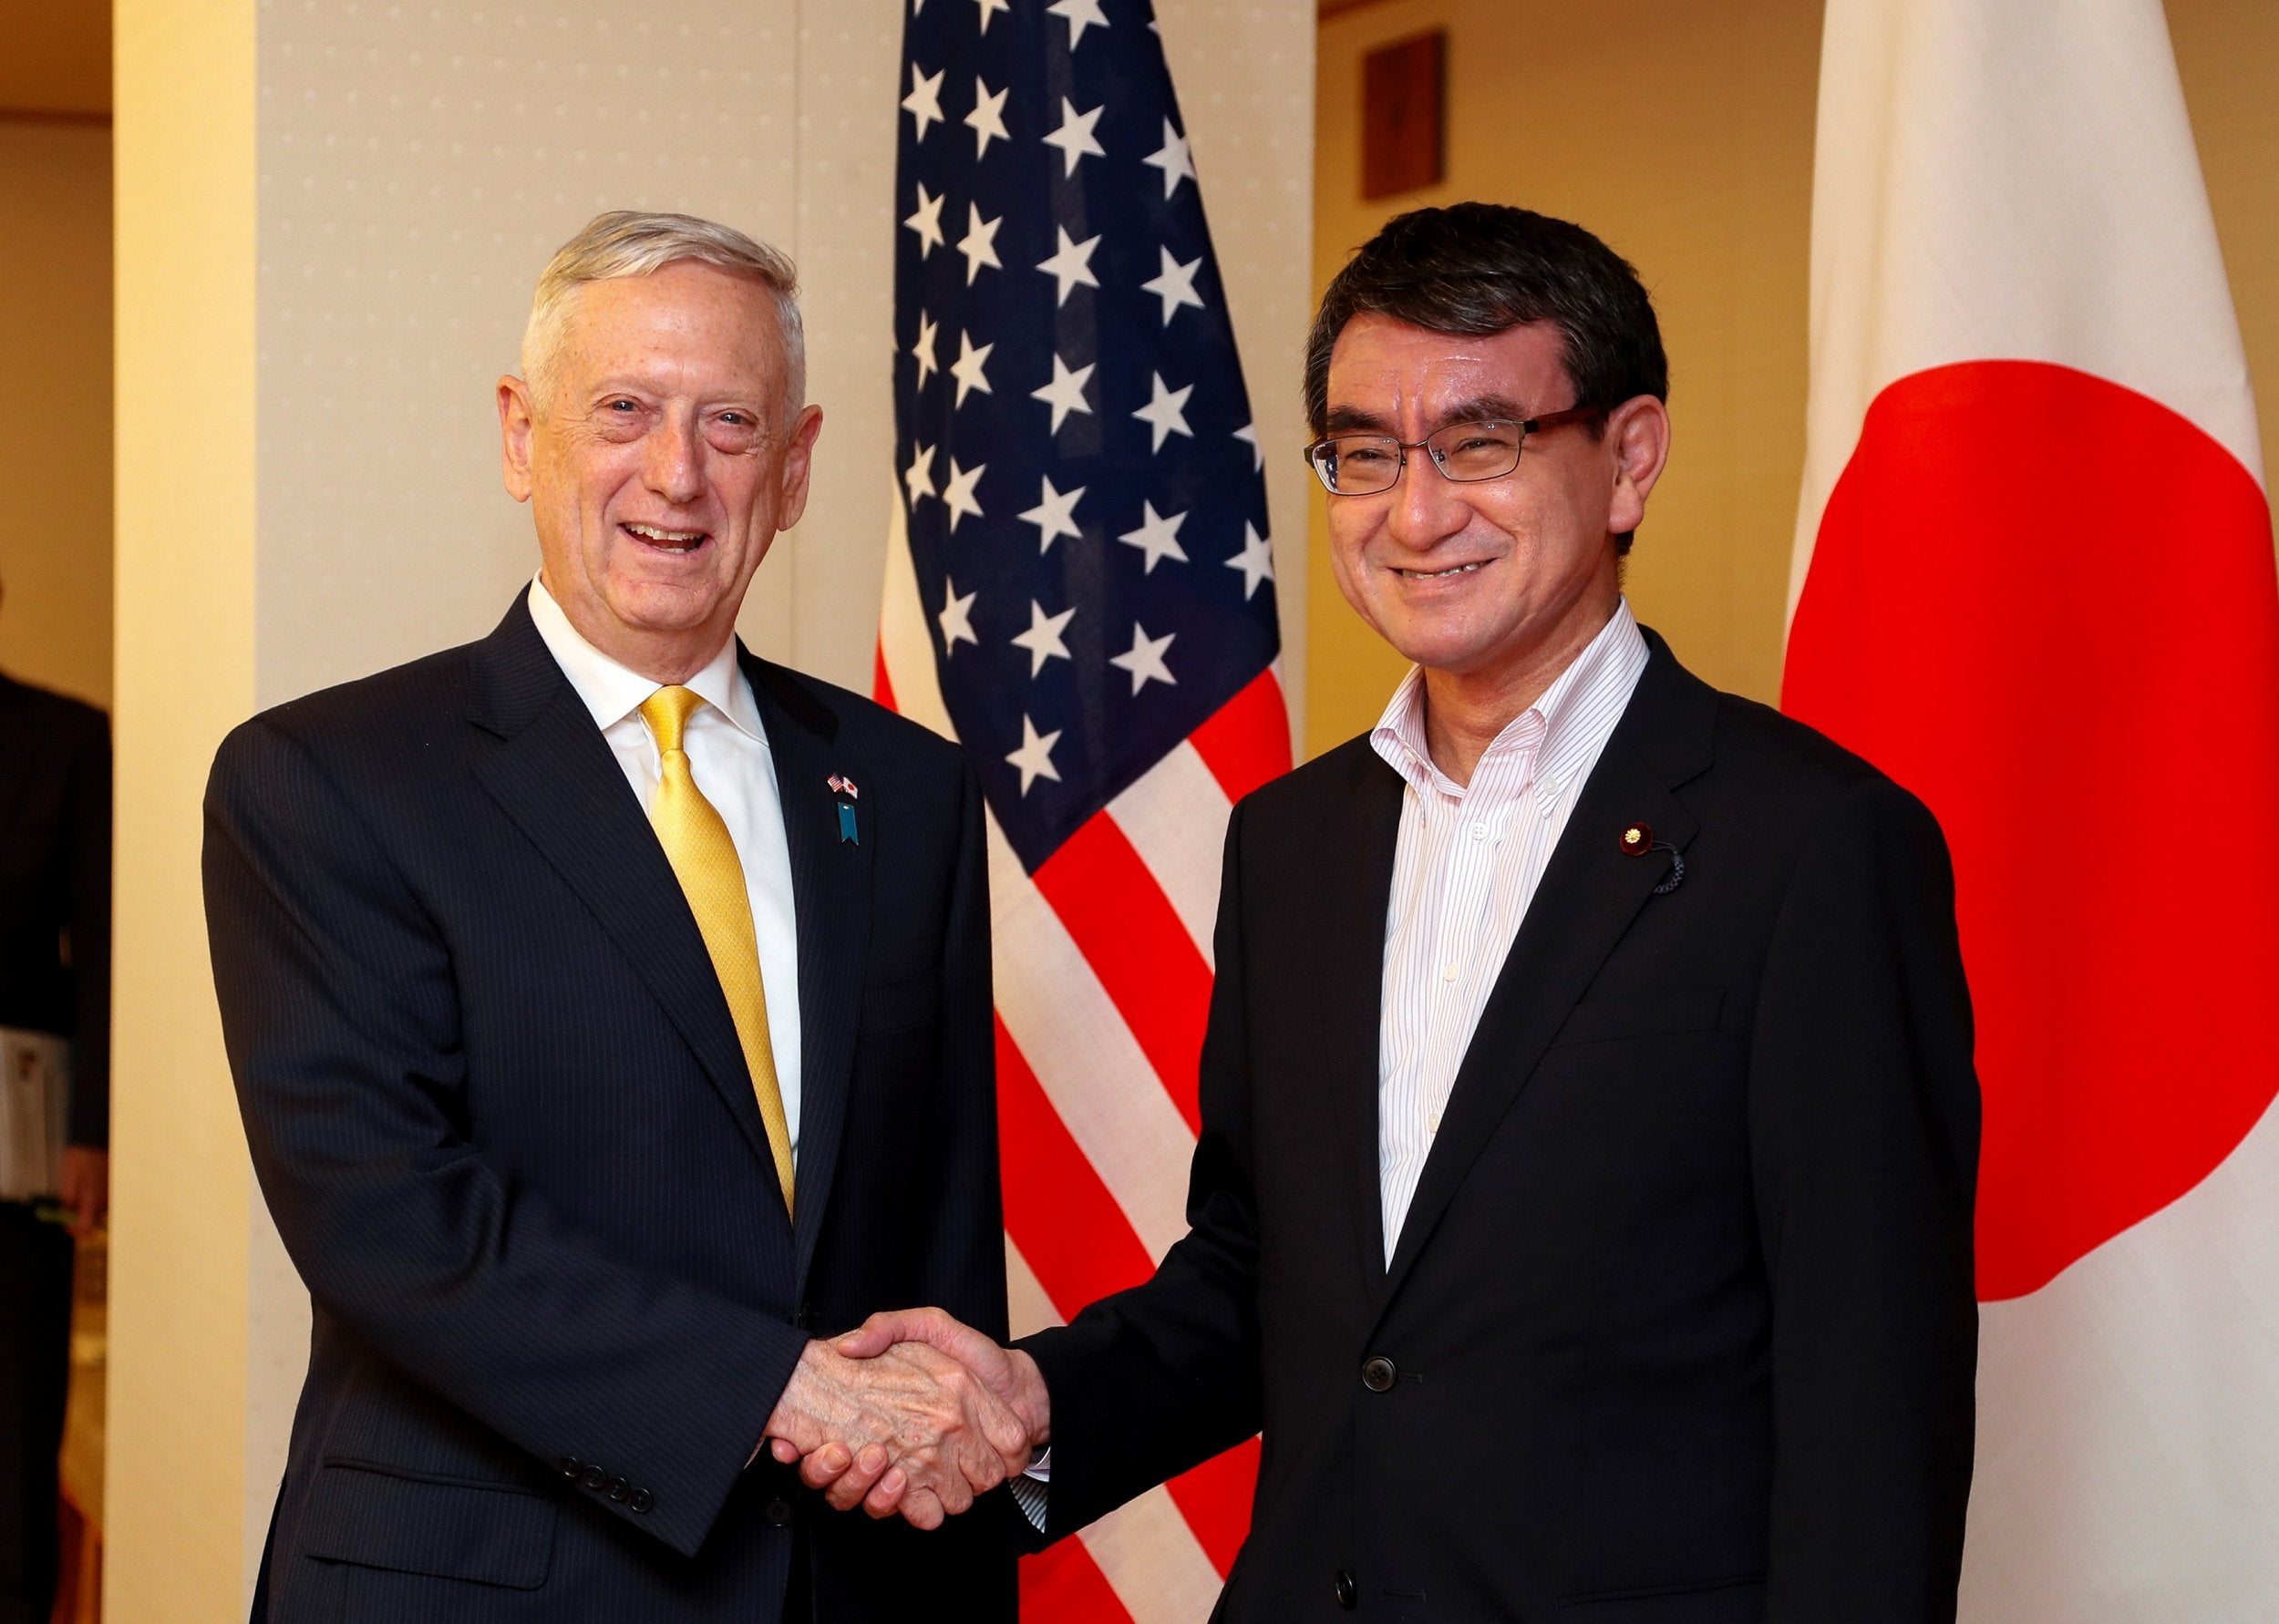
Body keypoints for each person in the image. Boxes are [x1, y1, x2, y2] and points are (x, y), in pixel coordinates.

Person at [820, 203, 1983, 1620]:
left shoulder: (1814, 844)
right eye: (1365, 452)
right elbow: (1275, 1279)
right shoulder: (1295, 841)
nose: (1415, 511)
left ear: (1629, 461)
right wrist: (1032, 1398)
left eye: (1480, 442)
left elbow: (1876, 1397)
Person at [203, 212, 1025, 1622]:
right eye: (624, 410)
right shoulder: (328, 780)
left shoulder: (906, 790)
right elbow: (395, 1222)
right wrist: (775, 1384)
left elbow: (937, 1240)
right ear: (524, 436)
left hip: (847, 1583)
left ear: (797, 465)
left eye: (730, 421)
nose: (677, 472)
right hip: (482, 1589)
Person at [0, 581, 110, 1624]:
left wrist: (94, 1132)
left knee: (18, 1431)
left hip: (19, 1141)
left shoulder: (67, 741)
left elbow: (104, 953)